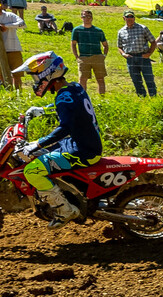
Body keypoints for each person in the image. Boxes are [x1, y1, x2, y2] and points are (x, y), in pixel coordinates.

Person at [12, 52, 103, 225]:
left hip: (82, 150)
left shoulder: (63, 97)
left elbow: (64, 128)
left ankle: (65, 211)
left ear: (48, 74)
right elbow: (70, 108)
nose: (35, 82)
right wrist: (43, 110)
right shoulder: (74, 87)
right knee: (39, 156)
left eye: (36, 77)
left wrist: (37, 144)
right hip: (84, 142)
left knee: (31, 171)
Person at [117, 10, 158, 97]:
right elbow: (119, 46)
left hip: (143, 56)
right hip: (130, 58)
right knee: (136, 80)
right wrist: (123, 54)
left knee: (149, 78)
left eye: (131, 17)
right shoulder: (121, 32)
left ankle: (153, 96)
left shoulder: (143, 28)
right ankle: (141, 96)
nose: (130, 18)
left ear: (134, 18)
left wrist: (149, 54)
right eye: (127, 17)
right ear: (124, 18)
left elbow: (153, 42)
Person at [70, 9, 111, 94]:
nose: (87, 18)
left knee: (100, 79)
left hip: (97, 57)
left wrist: (104, 56)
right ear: (81, 18)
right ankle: (82, 97)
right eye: (84, 16)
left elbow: (105, 45)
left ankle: (102, 97)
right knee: (82, 79)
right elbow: (73, 44)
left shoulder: (98, 30)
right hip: (83, 57)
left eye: (89, 17)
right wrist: (76, 56)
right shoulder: (77, 30)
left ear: (92, 18)